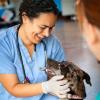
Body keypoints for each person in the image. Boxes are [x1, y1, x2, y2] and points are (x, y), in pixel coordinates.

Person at [0, 0, 82, 100]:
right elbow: (13, 88)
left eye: (51, 28)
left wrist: (64, 92)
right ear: (25, 18)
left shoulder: (53, 43)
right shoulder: (4, 44)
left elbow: (58, 79)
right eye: (43, 27)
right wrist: (46, 87)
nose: (47, 34)